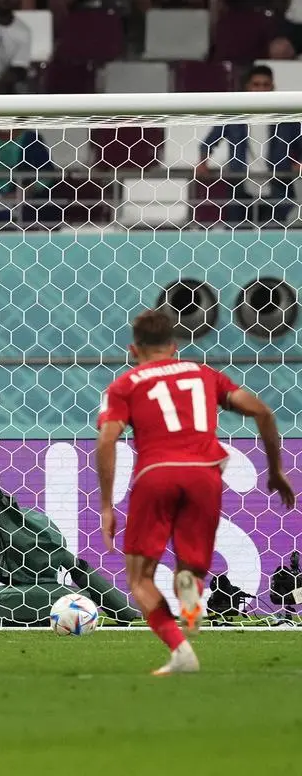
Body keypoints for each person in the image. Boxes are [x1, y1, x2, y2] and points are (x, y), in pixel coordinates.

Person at [96, 310, 295, 676]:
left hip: (156, 474)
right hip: (205, 475)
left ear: (133, 350)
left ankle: (179, 648)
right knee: (189, 565)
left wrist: (107, 504)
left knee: (140, 577)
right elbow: (263, 412)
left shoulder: (125, 385)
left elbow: (107, 439)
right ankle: (190, 587)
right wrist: (276, 470)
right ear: (174, 346)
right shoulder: (204, 374)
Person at [195, 66, 302, 228]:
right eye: (256, 85)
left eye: (265, 85)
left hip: (277, 185)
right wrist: (202, 162)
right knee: (238, 234)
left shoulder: (285, 117)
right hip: (241, 186)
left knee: (273, 237)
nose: (261, 89)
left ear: (272, 87)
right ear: (248, 87)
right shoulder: (235, 115)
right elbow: (210, 141)